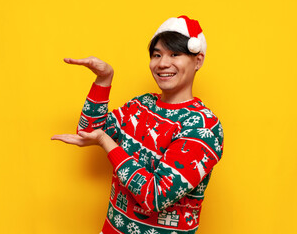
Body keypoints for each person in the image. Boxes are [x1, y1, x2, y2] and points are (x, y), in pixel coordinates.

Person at [51, 15, 224, 234]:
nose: (162, 63)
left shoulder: (204, 127)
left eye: (175, 54)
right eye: (157, 55)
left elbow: (155, 197)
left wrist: (106, 142)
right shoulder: (142, 105)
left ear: (198, 60)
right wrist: (104, 80)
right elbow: (89, 131)